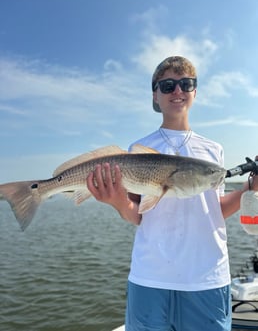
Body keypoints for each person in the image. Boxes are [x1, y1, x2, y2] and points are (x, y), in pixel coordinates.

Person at [86, 56, 258, 331]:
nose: (177, 91)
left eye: (185, 83)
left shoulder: (214, 150)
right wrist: (117, 202)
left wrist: (251, 188)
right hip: (150, 277)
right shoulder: (138, 148)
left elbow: (215, 210)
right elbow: (137, 215)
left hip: (207, 277)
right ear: (155, 94)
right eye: (167, 85)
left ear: (195, 91)